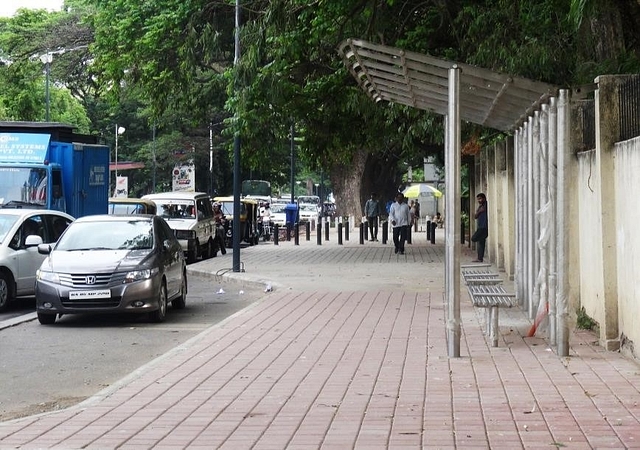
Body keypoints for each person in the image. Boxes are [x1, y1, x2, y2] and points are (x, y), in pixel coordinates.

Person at [471, 193, 488, 262]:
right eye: (478, 199)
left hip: (484, 226)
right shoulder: (480, 206)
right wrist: (479, 212)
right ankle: (480, 258)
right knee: (481, 243)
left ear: (484, 198)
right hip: (480, 226)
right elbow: (475, 216)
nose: (479, 200)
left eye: (480, 199)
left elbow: (479, 213)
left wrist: (479, 212)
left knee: (474, 238)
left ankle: (484, 236)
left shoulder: (486, 205)